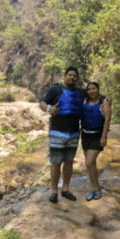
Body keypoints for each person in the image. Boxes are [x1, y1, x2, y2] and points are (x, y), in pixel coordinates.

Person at [39, 66, 86, 203]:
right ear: (64, 76)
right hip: (57, 132)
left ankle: (65, 189)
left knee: (69, 162)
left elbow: (94, 94)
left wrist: (106, 98)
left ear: (76, 79)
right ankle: (54, 191)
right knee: (56, 162)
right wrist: (49, 108)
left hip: (74, 132)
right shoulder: (55, 89)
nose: (72, 77)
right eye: (69, 75)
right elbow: (42, 103)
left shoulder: (80, 92)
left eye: (74, 76)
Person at [81, 81, 111, 201]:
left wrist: (104, 137)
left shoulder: (104, 102)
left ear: (98, 90)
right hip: (85, 135)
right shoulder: (85, 101)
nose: (91, 91)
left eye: (94, 89)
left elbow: (108, 119)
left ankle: (96, 188)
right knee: (90, 165)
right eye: (89, 89)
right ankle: (94, 187)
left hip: (97, 136)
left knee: (89, 162)